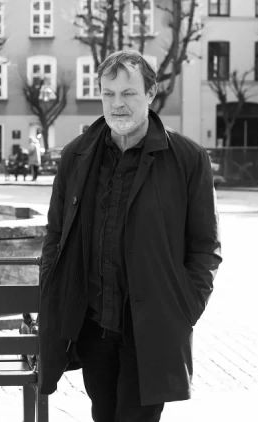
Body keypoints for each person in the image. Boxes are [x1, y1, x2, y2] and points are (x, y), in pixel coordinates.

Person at [37, 49, 222, 422]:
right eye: (108, 94)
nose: (117, 104)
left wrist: (184, 308)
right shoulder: (76, 156)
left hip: (152, 326)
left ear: (150, 93)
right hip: (93, 326)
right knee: (103, 415)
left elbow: (205, 247)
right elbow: (55, 235)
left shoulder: (187, 159)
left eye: (128, 93)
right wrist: (55, 297)